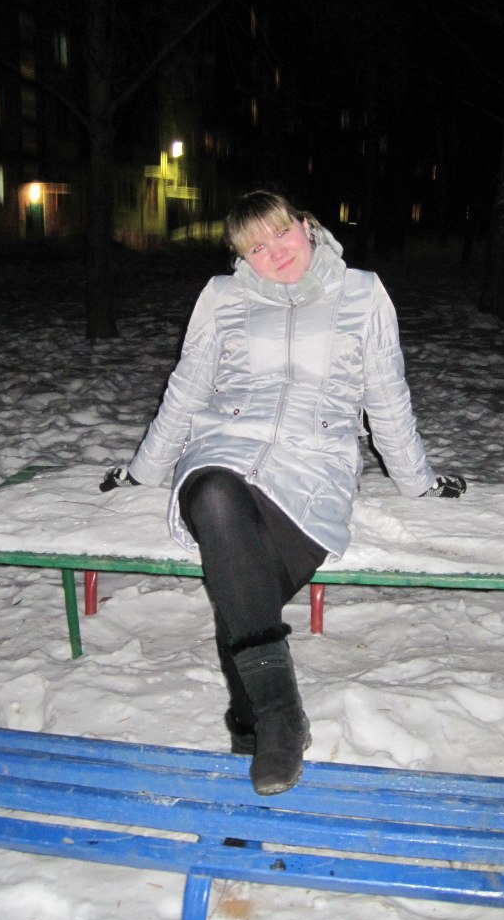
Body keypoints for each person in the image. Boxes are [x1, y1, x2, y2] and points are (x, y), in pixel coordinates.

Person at [101, 190, 466, 796]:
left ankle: (254, 719)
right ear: (242, 257)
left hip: (313, 468)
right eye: (255, 248)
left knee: (238, 581)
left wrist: (418, 482)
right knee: (215, 497)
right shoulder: (222, 298)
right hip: (222, 450)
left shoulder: (362, 293)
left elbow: (387, 395)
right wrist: (143, 471)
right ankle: (281, 718)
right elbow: (186, 389)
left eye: (280, 234)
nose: (274, 253)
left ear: (306, 225)